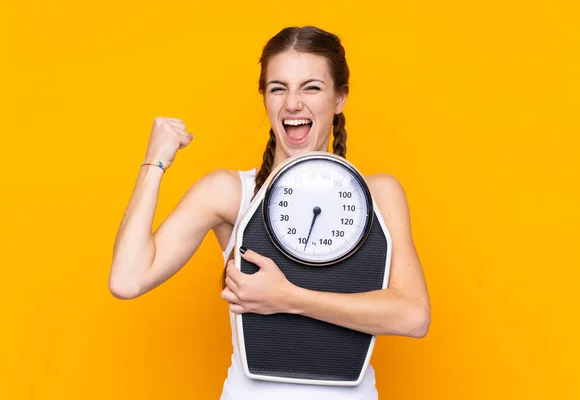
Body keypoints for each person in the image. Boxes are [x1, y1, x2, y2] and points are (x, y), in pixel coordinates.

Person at [109, 25, 431, 400]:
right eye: (279, 88)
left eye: (311, 87)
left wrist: (289, 297)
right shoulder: (232, 192)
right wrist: (154, 163)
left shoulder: (379, 194)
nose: (293, 103)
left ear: (340, 97)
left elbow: (413, 315)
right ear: (264, 98)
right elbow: (126, 281)